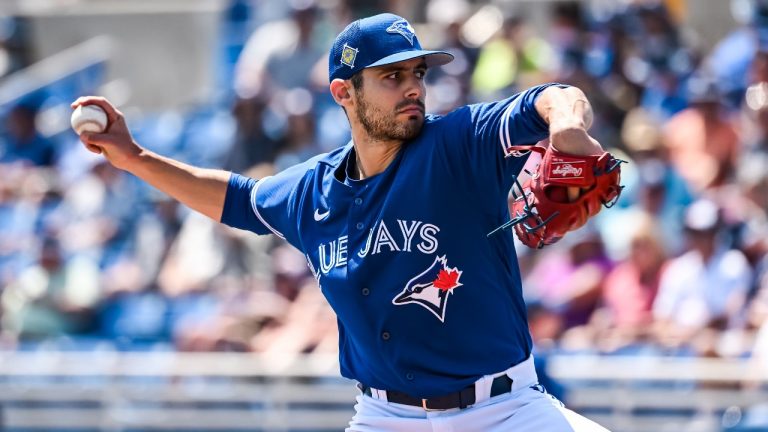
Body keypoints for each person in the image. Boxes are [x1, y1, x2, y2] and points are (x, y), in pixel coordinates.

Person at [72, 13, 611, 432]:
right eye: (392, 75)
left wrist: (564, 124)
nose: (414, 87)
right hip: (385, 417)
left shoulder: (458, 144)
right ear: (343, 92)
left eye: (418, 73)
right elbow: (237, 199)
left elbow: (555, 97)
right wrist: (135, 157)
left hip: (504, 412)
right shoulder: (313, 189)